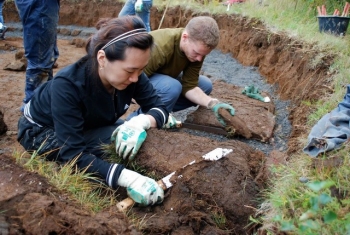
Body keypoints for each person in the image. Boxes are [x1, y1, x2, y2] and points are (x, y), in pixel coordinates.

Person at [17, 16, 174, 206]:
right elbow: (72, 154)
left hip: (87, 124)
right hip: (40, 131)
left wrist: (141, 122)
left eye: (140, 70)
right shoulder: (67, 86)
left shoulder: (133, 74)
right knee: (111, 138)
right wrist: (128, 178)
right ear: (102, 58)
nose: (135, 78)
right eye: (130, 71)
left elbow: (160, 108)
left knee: (128, 134)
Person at [128, 16, 236, 126]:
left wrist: (213, 104)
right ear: (185, 37)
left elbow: (190, 86)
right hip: (137, 79)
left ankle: (164, 112)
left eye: (203, 55)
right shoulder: (160, 46)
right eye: (197, 53)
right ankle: (137, 121)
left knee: (205, 85)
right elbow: (132, 79)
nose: (199, 59)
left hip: (160, 80)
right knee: (172, 87)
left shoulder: (197, 51)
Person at [15, 0, 60, 110]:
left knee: (45, 58)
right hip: (40, 5)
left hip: (41, 5)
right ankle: (34, 109)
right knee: (40, 61)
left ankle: (43, 103)